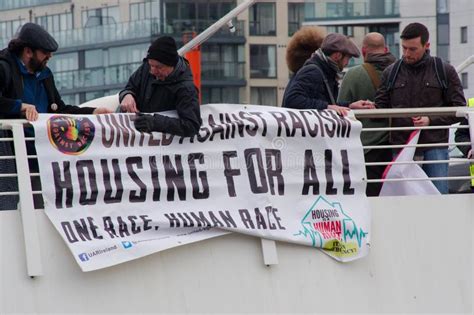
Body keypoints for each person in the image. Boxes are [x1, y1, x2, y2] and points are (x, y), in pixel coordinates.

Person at [0, 23, 112, 210]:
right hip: (9, 156)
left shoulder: (44, 74)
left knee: (41, 208)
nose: (49, 57)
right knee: (7, 208)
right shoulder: (3, 68)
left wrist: (92, 112)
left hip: (39, 156)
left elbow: (58, 109)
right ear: (28, 52)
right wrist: (19, 107)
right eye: (45, 53)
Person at [374, 23, 466, 194]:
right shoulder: (391, 72)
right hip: (403, 146)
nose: (407, 54)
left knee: (435, 199)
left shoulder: (444, 70)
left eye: (413, 49)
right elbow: (380, 108)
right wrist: (367, 107)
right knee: (405, 200)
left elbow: (459, 109)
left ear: (427, 46)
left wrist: (431, 120)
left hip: (433, 145)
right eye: (404, 48)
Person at [338, 32, 396, 196]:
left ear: (364, 52)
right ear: (386, 49)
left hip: (366, 149)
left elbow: (340, 110)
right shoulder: (400, 71)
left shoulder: (354, 75)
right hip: (400, 148)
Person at [119, 36, 201, 137]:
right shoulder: (146, 68)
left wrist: (155, 123)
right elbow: (129, 87)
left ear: (171, 65)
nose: (152, 71)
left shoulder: (186, 89)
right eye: (151, 65)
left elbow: (191, 126)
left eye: (158, 67)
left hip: (163, 149)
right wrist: (127, 95)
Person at [282, 33, 375, 116]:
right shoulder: (313, 71)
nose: (348, 62)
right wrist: (327, 107)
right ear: (337, 56)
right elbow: (292, 100)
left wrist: (350, 105)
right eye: (348, 58)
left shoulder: (325, 70)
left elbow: (324, 103)